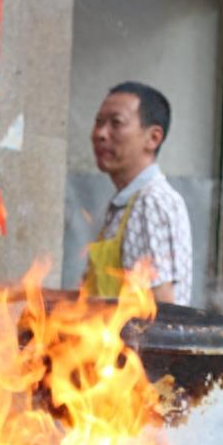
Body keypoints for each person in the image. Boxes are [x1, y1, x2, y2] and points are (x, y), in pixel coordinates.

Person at [83, 81, 193, 305]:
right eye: (98, 122)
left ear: (153, 138)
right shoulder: (125, 204)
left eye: (116, 123)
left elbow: (162, 310)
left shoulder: (151, 203)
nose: (101, 134)